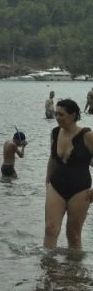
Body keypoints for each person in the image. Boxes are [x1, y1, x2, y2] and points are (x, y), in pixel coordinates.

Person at [44, 99, 93, 250]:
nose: (57, 117)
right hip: (57, 185)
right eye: (55, 114)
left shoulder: (87, 135)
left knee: (73, 234)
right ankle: (49, 269)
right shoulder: (55, 132)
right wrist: (47, 181)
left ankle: (74, 271)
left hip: (80, 189)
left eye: (61, 114)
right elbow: (53, 158)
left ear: (73, 115)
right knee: (50, 229)